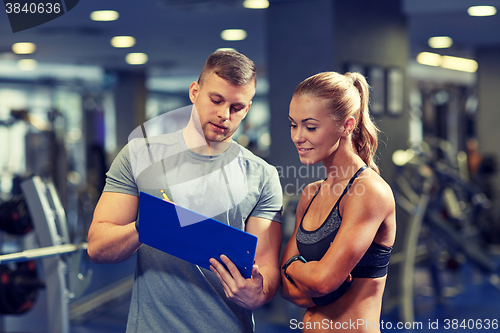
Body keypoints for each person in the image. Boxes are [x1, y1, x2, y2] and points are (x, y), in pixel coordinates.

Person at [87, 50, 283, 333]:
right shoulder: (139, 154)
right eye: (216, 100)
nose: (224, 115)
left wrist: (259, 292)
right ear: (195, 91)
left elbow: (267, 268)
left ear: (248, 108)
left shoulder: (262, 175)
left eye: (237, 108)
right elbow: (97, 246)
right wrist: (146, 227)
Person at [280, 71, 396, 332]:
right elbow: (287, 290)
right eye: (293, 124)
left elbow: (322, 282)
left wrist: (293, 267)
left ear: (347, 126)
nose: (298, 136)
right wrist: (305, 275)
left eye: (310, 127)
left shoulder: (368, 191)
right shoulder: (310, 194)